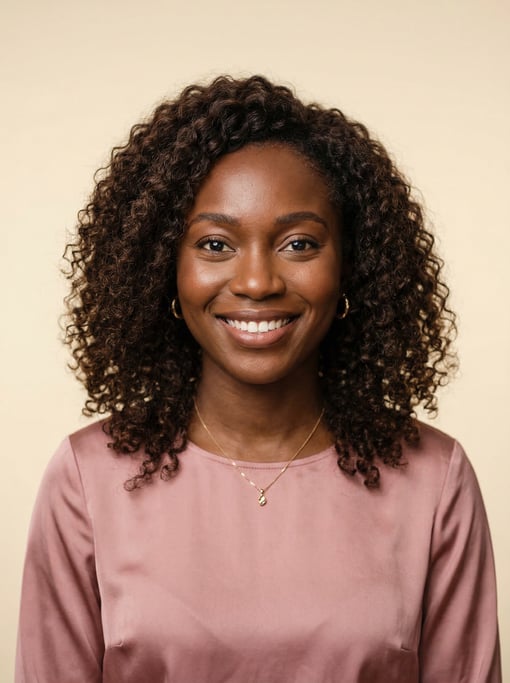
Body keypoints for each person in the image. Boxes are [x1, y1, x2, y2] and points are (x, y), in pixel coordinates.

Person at [16, 75, 501, 682]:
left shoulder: (433, 480)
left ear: (351, 267)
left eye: (298, 244)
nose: (256, 282)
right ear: (164, 268)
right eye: (215, 243)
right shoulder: (87, 480)